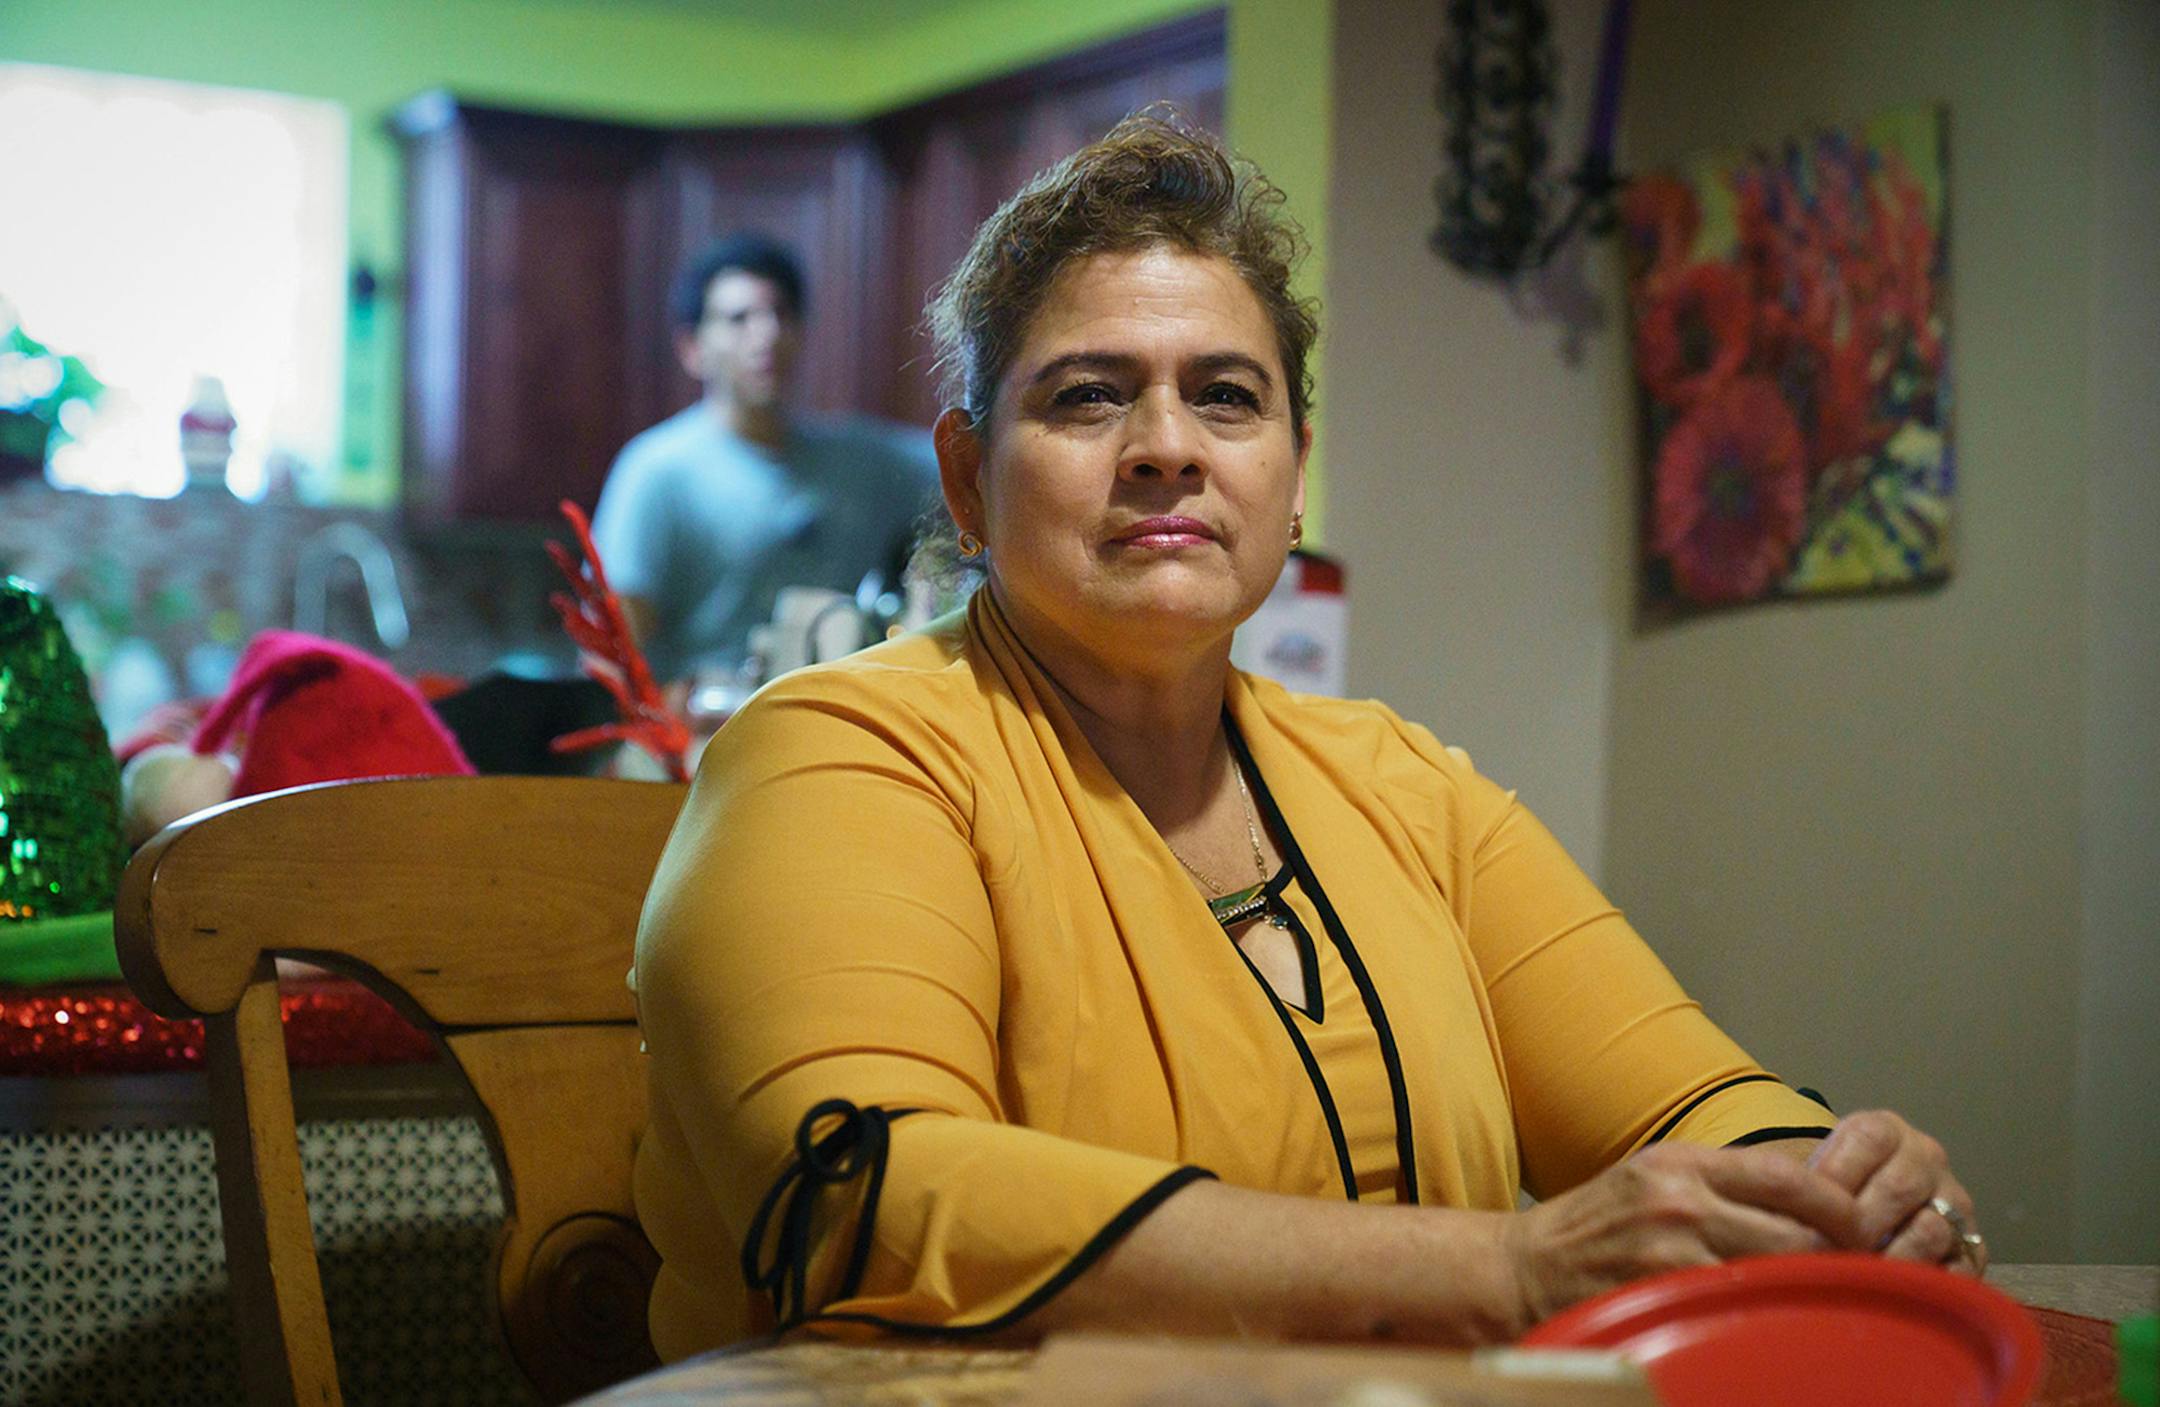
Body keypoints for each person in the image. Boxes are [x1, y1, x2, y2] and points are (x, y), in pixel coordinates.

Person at [628, 115, 1983, 1359]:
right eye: (1090, 395)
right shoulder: (837, 755)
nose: (1167, 445)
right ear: (971, 479)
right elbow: (857, 1188)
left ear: (1290, 477)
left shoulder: (1402, 784)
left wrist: (1832, 1183)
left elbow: (1683, 1103)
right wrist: (1513, 1262)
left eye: (1227, 394)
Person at [589, 233, 938, 683]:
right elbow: (609, 653)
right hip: (706, 735)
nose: (767, 334)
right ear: (692, 349)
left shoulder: (862, 462)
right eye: (739, 319)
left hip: (836, 725)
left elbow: (975, 460)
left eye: (781, 313)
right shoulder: (658, 472)